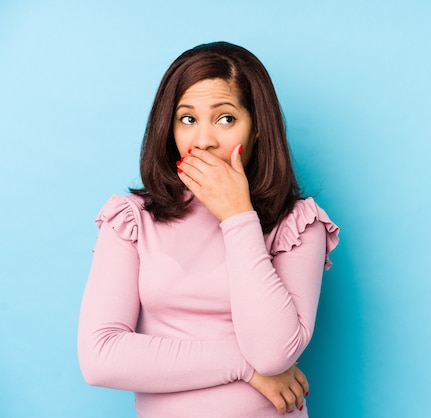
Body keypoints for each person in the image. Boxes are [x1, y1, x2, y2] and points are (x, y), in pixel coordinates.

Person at [77, 41, 339, 417]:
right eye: (187, 119)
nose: (203, 140)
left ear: (258, 129)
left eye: (226, 118)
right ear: (169, 130)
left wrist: (237, 216)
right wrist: (245, 368)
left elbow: (272, 352)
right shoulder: (132, 220)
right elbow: (100, 357)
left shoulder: (296, 224)